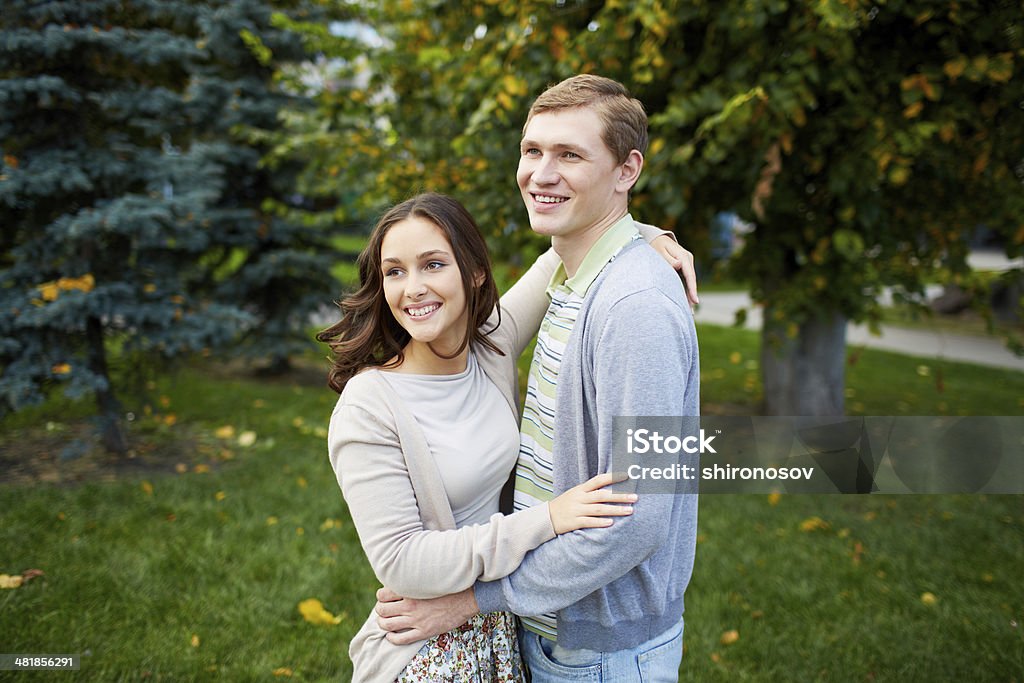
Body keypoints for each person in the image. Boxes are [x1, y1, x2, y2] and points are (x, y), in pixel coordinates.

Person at [374, 75, 700, 682]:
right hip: (555, 630)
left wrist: (472, 601)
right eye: (532, 151)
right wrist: (645, 231)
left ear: (626, 170)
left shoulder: (633, 308)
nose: (541, 174)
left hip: (602, 650)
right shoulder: (572, 281)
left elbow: (639, 518)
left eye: (570, 155)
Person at [319, 192, 692, 682]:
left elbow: (568, 246)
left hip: (499, 629)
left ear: (474, 273)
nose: (413, 288)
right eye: (395, 271)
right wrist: (545, 521)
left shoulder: (488, 348)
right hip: (429, 646)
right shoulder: (371, 405)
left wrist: (651, 235)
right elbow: (402, 562)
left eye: (433, 265)